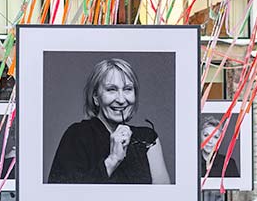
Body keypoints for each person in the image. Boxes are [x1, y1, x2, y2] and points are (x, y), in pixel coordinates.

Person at [48, 57, 171, 185]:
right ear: (96, 97)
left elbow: (164, 195)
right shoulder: (76, 135)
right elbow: (62, 194)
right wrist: (113, 160)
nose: (121, 100)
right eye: (111, 89)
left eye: (128, 89)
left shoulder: (147, 138)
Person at [200, 116, 238, 181]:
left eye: (215, 137)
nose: (210, 141)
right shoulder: (192, 162)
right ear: (199, 136)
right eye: (206, 135)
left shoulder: (229, 164)